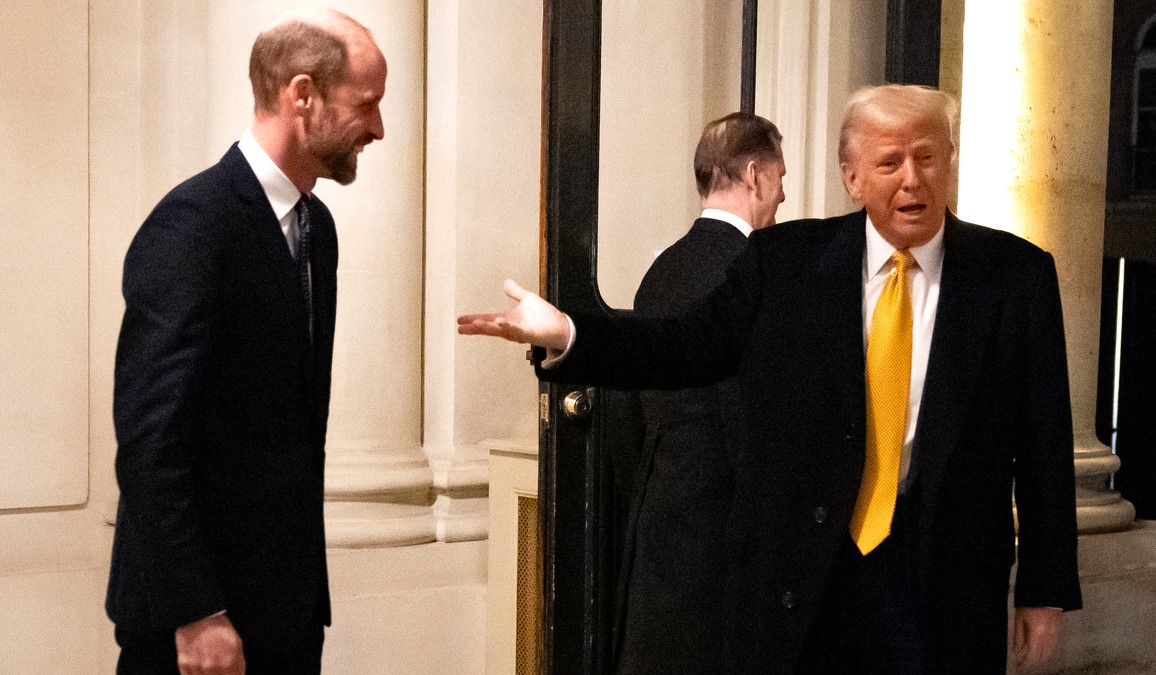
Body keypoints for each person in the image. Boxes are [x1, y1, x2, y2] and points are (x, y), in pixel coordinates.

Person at [459, 84, 1081, 673]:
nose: (912, 179)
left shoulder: (1014, 276)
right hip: (808, 578)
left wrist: (1044, 591)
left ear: (949, 162)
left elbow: (1044, 442)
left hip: (944, 581)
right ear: (852, 176)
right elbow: (687, 346)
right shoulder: (787, 263)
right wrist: (571, 333)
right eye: (890, 162)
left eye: (927, 157)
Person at [107, 9, 386, 674]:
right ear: (302, 95)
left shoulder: (317, 227)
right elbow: (150, 439)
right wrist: (197, 612)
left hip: (283, 615)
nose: (378, 128)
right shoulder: (192, 225)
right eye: (367, 103)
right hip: (195, 629)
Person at [615, 112, 784, 674]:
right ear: (756, 175)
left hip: (660, 519)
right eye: (781, 178)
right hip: (725, 536)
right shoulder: (753, 271)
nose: (784, 195)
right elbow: (751, 418)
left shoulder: (662, 268)